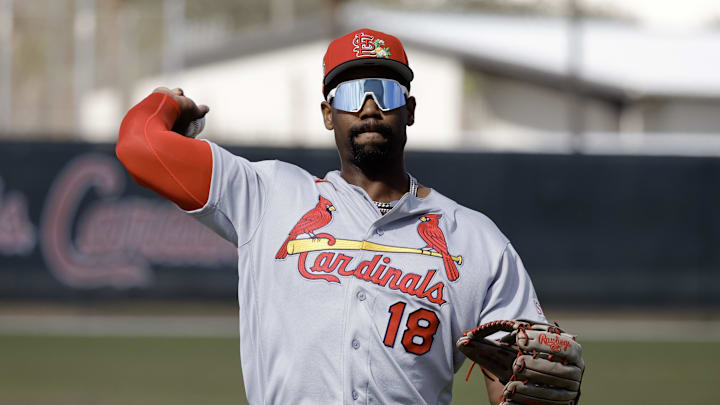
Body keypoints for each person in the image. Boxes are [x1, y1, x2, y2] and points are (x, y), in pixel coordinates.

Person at [117, 28, 550, 405]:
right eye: (349, 94)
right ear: (328, 114)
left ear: (410, 110)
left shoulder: (475, 240)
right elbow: (140, 147)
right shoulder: (268, 196)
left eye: (386, 91)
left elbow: (522, 381)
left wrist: (533, 387)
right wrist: (166, 102)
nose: (368, 107)